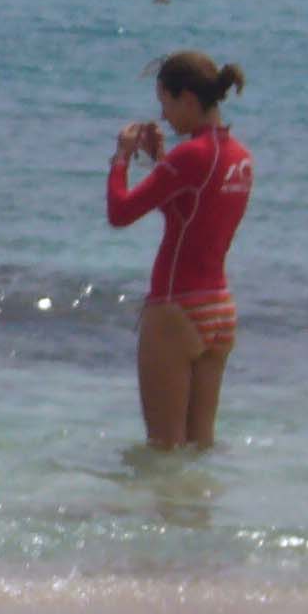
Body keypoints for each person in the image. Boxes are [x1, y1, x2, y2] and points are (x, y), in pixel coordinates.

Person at [107, 50, 253, 450]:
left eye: (166, 104)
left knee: (163, 450)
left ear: (187, 99)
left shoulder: (192, 155)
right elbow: (190, 214)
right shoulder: (240, 157)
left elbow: (120, 212)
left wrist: (121, 158)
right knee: (199, 446)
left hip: (176, 307)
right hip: (218, 310)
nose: (164, 116)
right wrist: (160, 161)